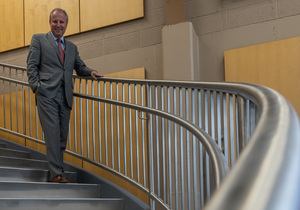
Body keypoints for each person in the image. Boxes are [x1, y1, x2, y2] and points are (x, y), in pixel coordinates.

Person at [27, 8, 103, 183]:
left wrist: (91, 72)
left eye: (61, 22)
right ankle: (56, 174)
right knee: (52, 133)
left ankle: (58, 172)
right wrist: (36, 87)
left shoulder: (72, 47)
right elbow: (31, 65)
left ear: (66, 24)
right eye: (55, 21)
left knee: (62, 136)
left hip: (66, 96)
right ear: (50, 22)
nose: (58, 25)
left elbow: (80, 67)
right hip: (46, 94)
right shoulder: (39, 39)